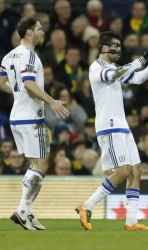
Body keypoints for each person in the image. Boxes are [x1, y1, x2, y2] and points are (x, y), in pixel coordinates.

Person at [75, 31, 148, 231]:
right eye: (115, 46)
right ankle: (86, 206)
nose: (119, 49)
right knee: (123, 172)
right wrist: (141, 59)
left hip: (122, 125)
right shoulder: (97, 67)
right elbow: (112, 76)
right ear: (104, 48)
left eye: (120, 46)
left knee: (136, 171)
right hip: (109, 126)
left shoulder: (115, 67)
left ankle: (131, 221)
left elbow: (138, 79)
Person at [0, 16, 69, 230]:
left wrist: (18, 92)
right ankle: (22, 209)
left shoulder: (9, 56)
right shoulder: (30, 55)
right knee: (41, 165)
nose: (42, 32)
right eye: (39, 29)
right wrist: (52, 101)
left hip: (16, 117)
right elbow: (29, 83)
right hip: (31, 116)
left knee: (35, 165)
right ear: (29, 32)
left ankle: (28, 211)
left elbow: (2, 83)